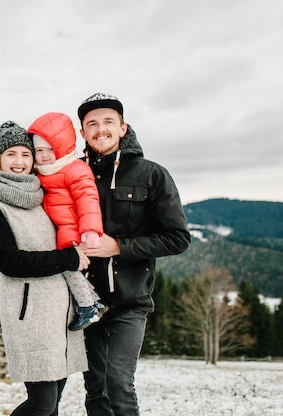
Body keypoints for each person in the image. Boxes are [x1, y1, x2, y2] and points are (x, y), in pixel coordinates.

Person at [75, 92, 191, 416]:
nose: (101, 129)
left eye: (108, 122)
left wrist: (120, 247)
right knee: (94, 387)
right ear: (82, 131)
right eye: (92, 123)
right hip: (87, 301)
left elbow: (177, 238)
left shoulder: (153, 175)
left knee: (118, 382)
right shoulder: (74, 175)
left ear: (123, 128)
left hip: (131, 301)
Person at [0, 120, 89, 416]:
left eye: (26, 155)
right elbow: (10, 262)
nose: (19, 162)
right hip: (29, 317)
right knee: (42, 404)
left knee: (52, 407)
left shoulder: (43, 196)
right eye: (11, 154)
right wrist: (69, 259)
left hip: (61, 313)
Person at [28, 112, 107, 331]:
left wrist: (90, 230)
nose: (44, 156)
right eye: (39, 151)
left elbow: (88, 198)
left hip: (73, 228)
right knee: (71, 268)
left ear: (61, 148)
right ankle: (96, 302)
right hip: (61, 227)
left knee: (68, 267)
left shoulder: (74, 169)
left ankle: (87, 307)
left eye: (50, 150)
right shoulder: (44, 172)